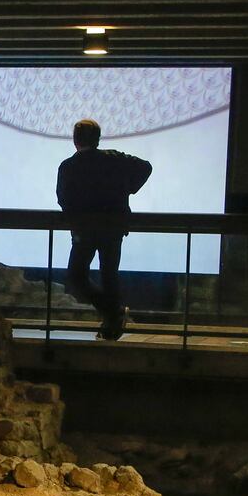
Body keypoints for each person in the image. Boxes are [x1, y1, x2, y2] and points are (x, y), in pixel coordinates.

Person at [55, 119, 152, 340]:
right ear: (98, 139)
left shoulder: (69, 167)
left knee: (77, 276)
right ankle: (112, 322)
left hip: (84, 231)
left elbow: (63, 199)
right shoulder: (115, 160)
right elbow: (145, 167)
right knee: (109, 275)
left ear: (75, 140)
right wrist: (128, 188)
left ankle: (112, 316)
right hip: (113, 227)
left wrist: (76, 216)